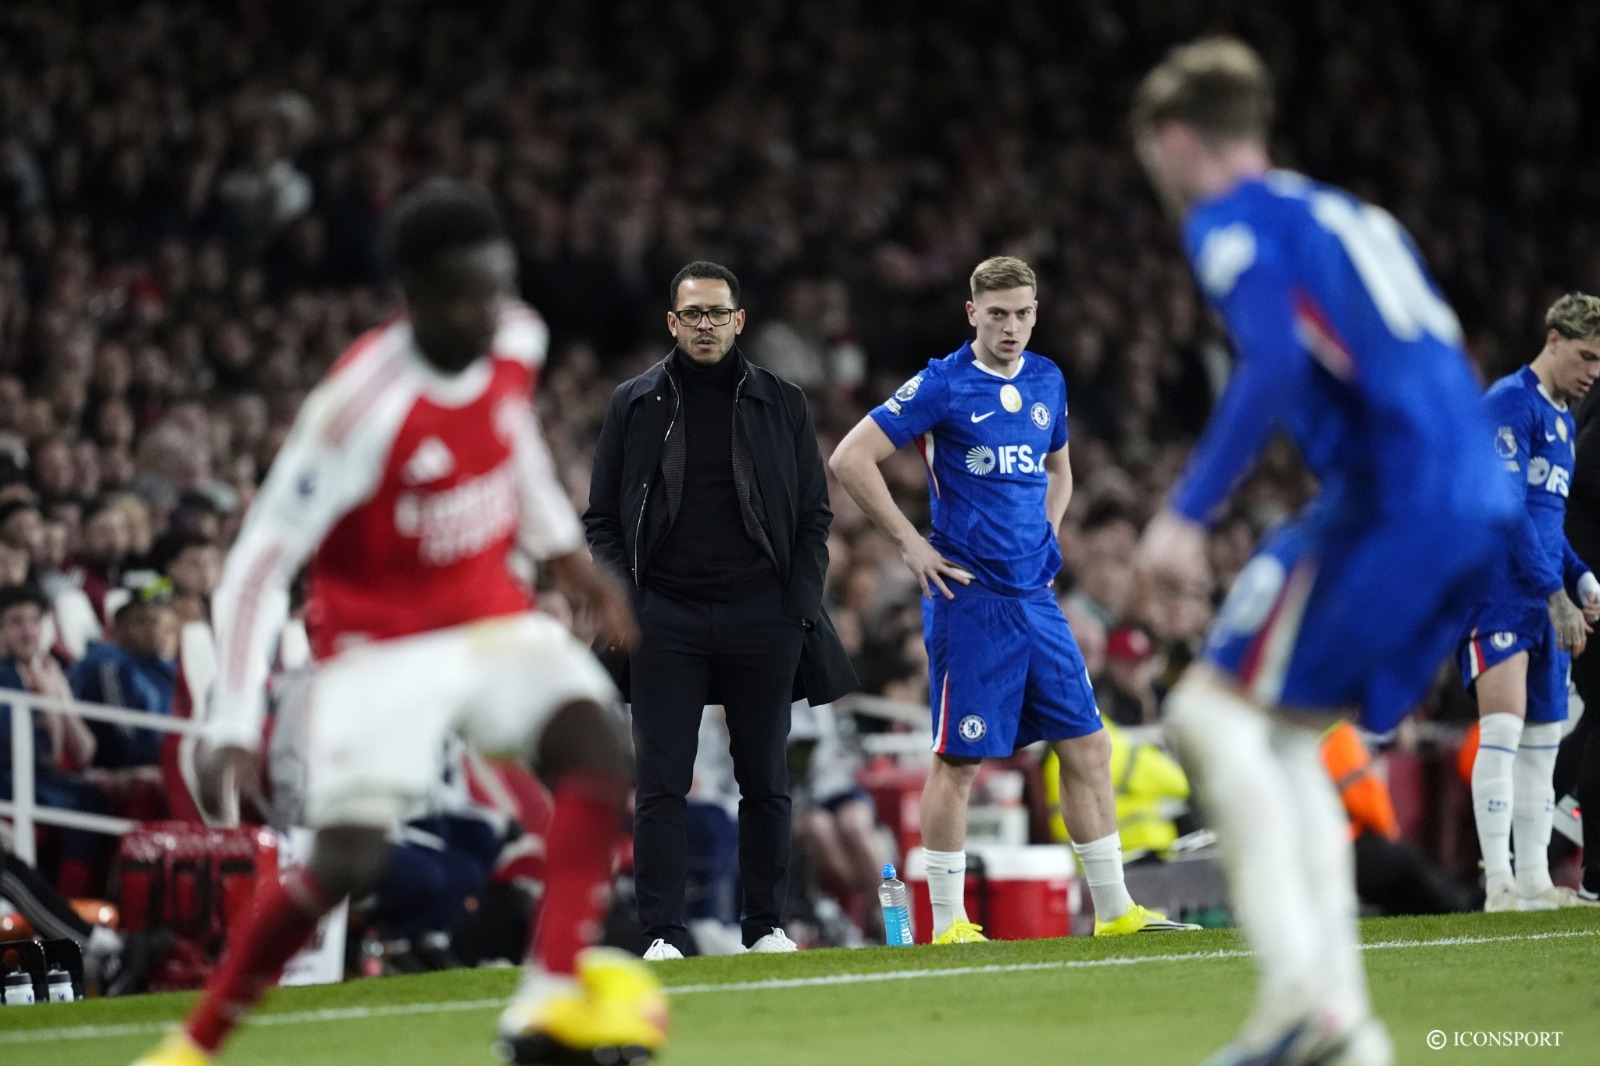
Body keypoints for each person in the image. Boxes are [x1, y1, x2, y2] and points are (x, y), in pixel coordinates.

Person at [131, 181, 667, 1066]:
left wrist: (564, 555)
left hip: (485, 618)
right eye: (465, 298)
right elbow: (258, 563)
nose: (488, 314)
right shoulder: (356, 411)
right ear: (412, 297)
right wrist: (230, 720)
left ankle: (546, 1001)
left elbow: (512, 437)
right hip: (377, 649)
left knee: (598, 744)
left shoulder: (516, 337)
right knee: (344, 860)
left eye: (497, 289)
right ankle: (193, 1046)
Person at [1128, 38, 1518, 1066]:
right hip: (1469, 492)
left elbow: (1268, 362)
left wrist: (1187, 511)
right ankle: (1342, 1026)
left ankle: (1301, 1002)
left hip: (1397, 494)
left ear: (1175, 140)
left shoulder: (1229, 222)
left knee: (1210, 714)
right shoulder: (1351, 214)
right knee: (1288, 734)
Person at [829, 255, 1196, 943]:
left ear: (1035, 313)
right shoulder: (942, 383)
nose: (1011, 326)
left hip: (1036, 600)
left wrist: (1048, 533)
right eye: (997, 314)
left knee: (1087, 747)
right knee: (958, 760)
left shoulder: (1047, 379)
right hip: (969, 600)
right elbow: (850, 457)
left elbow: (1060, 471)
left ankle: (1116, 912)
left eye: (1023, 313)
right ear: (973, 313)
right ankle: (948, 923)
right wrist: (911, 544)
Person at [584, 260, 856, 961]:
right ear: (672, 323)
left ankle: (765, 926)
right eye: (692, 314)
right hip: (664, 617)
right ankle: (663, 934)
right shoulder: (633, 402)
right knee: (661, 784)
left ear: (739, 321)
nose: (705, 325)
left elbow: (814, 515)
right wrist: (629, 602)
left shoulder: (783, 402)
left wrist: (796, 609)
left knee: (767, 782)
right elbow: (602, 520)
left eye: (716, 313)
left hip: (761, 615)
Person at [1456, 293, 1600, 912]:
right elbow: (1508, 511)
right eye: (1586, 356)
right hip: (1499, 594)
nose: (1594, 371)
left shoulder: (1564, 420)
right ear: (1553, 340)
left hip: (1545, 595)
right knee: (1504, 730)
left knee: (1543, 743)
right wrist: (1554, 594)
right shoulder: (1510, 403)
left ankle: (1535, 882)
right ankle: (1498, 884)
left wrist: (1581, 576)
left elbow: (1548, 521)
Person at [0, 582, 106, 897]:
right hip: (8, 779)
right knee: (83, 805)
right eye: (16, 622)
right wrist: (48, 704)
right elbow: (43, 753)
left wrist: (60, 699)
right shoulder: (4, 676)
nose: (28, 632)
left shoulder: (51, 672)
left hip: (37, 779)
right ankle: (67, 906)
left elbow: (85, 752)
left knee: (97, 795)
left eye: (34, 621)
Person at [1560, 353, 1600, 903]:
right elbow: (1587, 471)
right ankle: (1596, 874)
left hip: (1582, 571)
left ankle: (1557, 799)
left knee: (1596, 713)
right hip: (1587, 577)